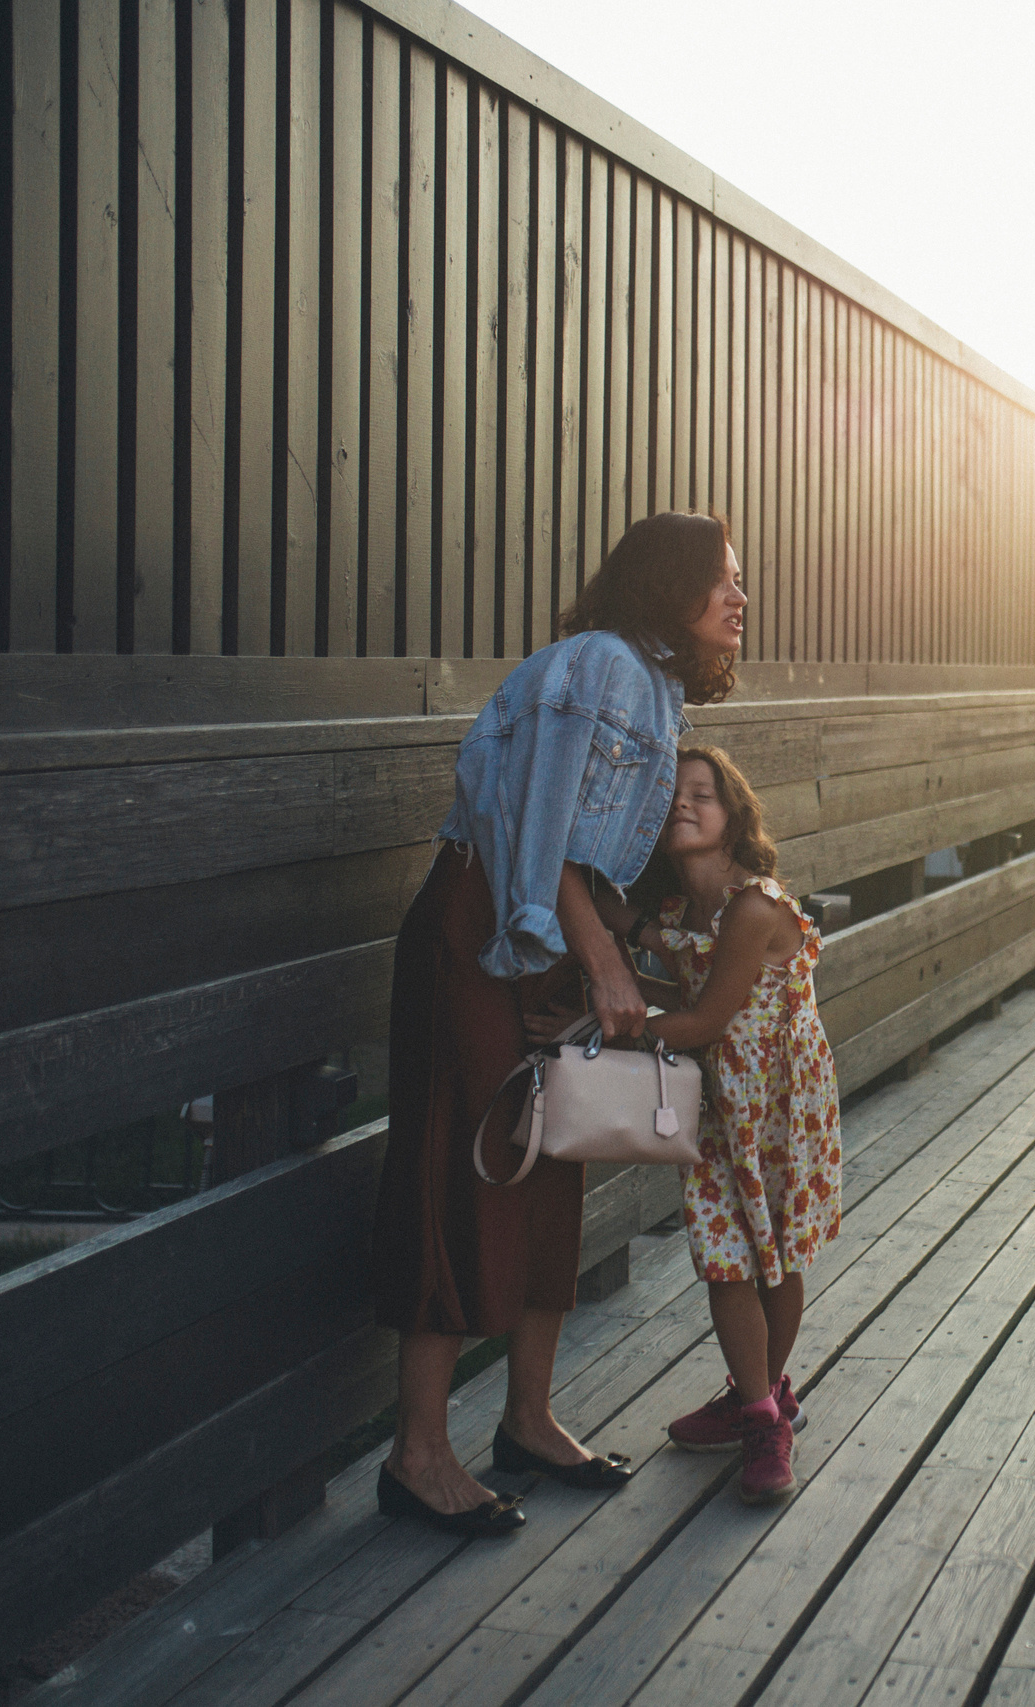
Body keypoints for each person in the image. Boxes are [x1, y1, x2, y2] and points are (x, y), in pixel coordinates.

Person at [373, 511, 743, 1537]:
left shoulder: (649, 687)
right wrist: (602, 961)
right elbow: (532, 836)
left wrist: (620, 941)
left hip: (535, 936)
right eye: (724, 579)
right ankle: (419, 1454)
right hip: (478, 931)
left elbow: (583, 853)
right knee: (470, 1167)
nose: (740, 599)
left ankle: (527, 1419)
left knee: (552, 1156)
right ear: (669, 585)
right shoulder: (600, 668)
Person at [596, 744, 843, 1506]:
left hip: (780, 1104)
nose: (682, 802)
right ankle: (764, 1403)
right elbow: (672, 973)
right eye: (671, 793)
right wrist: (611, 968)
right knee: (725, 1252)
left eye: (701, 793)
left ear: (734, 815)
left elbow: (703, 1015)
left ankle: (760, 1403)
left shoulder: (755, 906)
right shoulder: (681, 914)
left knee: (775, 1252)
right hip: (718, 1103)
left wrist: (603, 1021)